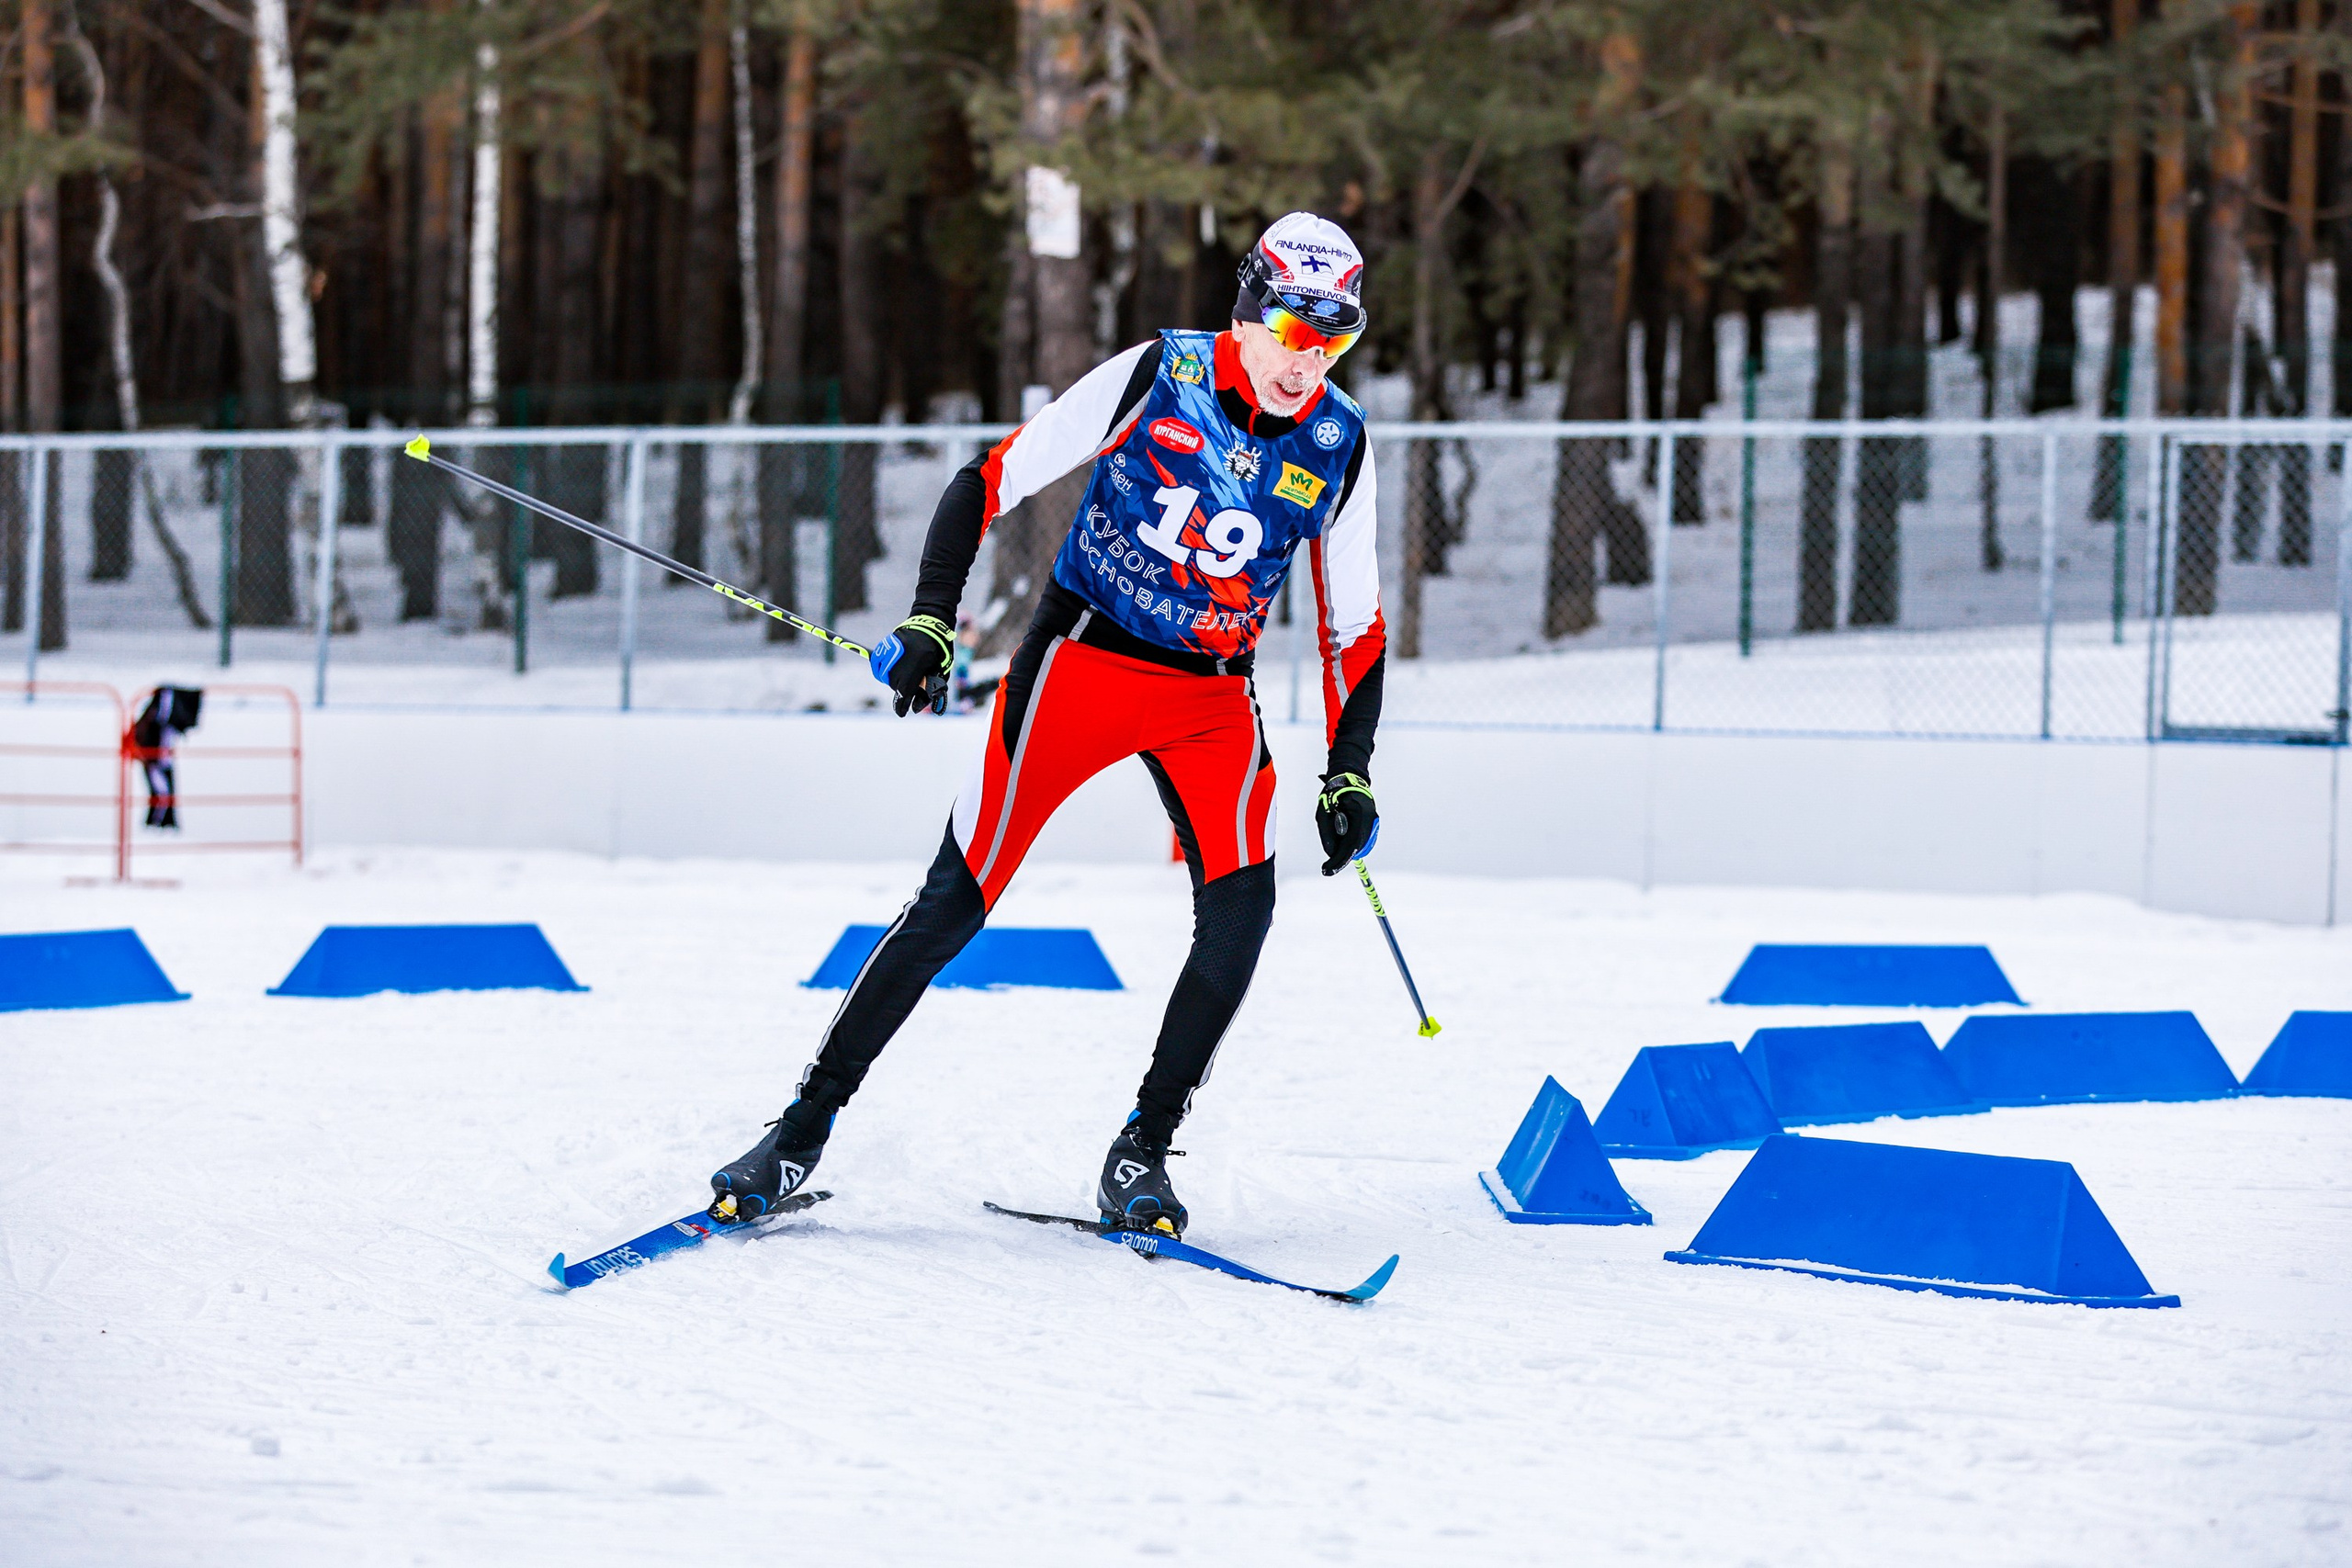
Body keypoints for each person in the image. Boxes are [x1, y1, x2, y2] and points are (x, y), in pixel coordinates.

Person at [711, 212, 1386, 1237]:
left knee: (1244, 907)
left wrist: (1350, 769)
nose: (1310, 361)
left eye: (1335, 337)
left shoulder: (1338, 440)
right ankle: (799, 1130)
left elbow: (1355, 627)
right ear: (1249, 315)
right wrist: (932, 619)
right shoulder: (1161, 374)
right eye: (1295, 331)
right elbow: (986, 482)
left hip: (1210, 695)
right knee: (954, 902)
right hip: (1082, 663)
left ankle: (1142, 1150)